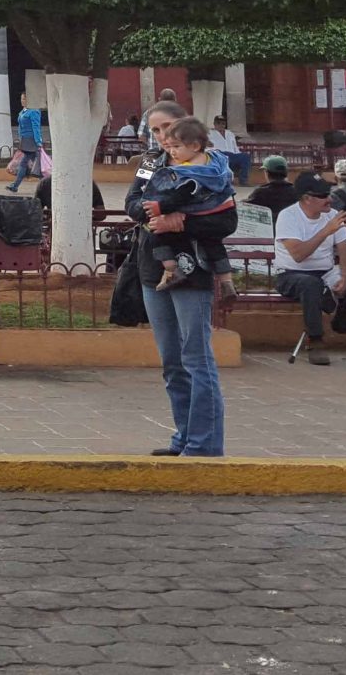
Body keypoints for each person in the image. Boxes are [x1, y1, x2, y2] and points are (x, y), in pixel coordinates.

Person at [125, 108, 229, 457]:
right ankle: (183, 436)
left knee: (196, 357)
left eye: (166, 128)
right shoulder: (151, 164)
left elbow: (226, 220)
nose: (161, 137)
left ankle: (205, 443)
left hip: (193, 269)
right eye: (154, 130)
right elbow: (132, 204)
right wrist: (155, 213)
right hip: (153, 267)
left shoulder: (211, 169)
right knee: (172, 361)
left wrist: (181, 222)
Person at [145, 117, 236, 290]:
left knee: (156, 232)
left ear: (194, 146)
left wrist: (160, 208)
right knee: (213, 243)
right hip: (223, 208)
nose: (172, 151)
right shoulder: (214, 161)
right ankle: (226, 282)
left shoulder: (190, 171)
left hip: (204, 213)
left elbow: (181, 196)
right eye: (170, 146)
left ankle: (172, 270)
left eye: (176, 146)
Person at [272, 171, 346, 364]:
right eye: (323, 196)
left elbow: (344, 251)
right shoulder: (288, 216)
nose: (329, 199)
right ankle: (315, 341)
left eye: (329, 193)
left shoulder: (332, 216)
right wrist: (326, 231)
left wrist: (345, 277)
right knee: (310, 285)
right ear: (307, 198)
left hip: (325, 272)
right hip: (292, 274)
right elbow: (299, 255)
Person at [6, 101, 46, 192]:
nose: (22, 101)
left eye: (25, 99)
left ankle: (46, 186)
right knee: (32, 164)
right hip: (25, 140)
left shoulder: (34, 111)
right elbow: (21, 127)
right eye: (22, 99)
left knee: (34, 164)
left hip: (32, 140)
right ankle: (15, 186)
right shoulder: (23, 111)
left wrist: (38, 141)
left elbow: (36, 127)